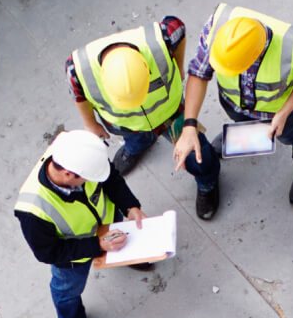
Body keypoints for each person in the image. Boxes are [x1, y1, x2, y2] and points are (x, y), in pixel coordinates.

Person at [173, 3, 293, 218]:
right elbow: (199, 74)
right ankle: (243, 136)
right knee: (241, 123)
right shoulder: (216, 29)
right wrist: (189, 125)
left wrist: (284, 112)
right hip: (233, 103)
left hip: (278, 114)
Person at [14, 129, 147, 318]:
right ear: (68, 175)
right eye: (87, 179)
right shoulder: (32, 211)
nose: (92, 181)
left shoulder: (83, 156)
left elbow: (111, 179)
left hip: (108, 222)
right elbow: (48, 252)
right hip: (74, 257)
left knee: (122, 242)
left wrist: (130, 206)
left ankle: (124, 256)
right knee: (67, 290)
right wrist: (98, 246)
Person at [66, 17, 219, 197]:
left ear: (145, 66)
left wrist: (179, 65)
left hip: (171, 114)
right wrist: (90, 124)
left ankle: (207, 182)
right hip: (127, 124)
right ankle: (139, 144)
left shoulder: (162, 39)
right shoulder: (79, 69)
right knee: (134, 137)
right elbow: (79, 95)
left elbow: (178, 29)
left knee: (196, 153)